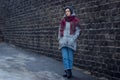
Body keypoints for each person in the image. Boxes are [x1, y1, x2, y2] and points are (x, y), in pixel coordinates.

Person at [58, 6, 80, 79]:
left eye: (68, 11)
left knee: (70, 57)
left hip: (71, 42)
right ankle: (68, 71)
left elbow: (78, 31)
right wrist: (60, 39)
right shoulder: (63, 20)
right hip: (63, 41)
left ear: (71, 11)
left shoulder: (75, 20)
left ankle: (69, 70)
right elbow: (60, 30)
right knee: (65, 57)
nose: (67, 12)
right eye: (66, 11)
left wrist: (73, 39)